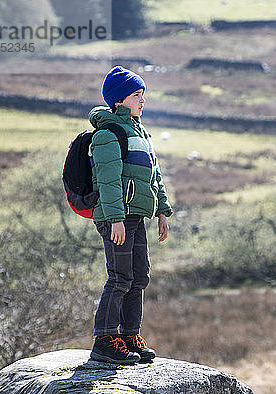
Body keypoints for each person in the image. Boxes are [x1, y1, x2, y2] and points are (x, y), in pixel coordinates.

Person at [88, 65, 172, 364]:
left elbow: (154, 176)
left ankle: (129, 335)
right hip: (117, 218)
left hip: (135, 217)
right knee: (120, 277)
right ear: (119, 100)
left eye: (143, 95)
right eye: (137, 95)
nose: (142, 100)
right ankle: (105, 339)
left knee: (139, 277)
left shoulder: (141, 133)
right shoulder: (108, 133)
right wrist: (115, 219)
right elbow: (108, 181)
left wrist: (162, 211)